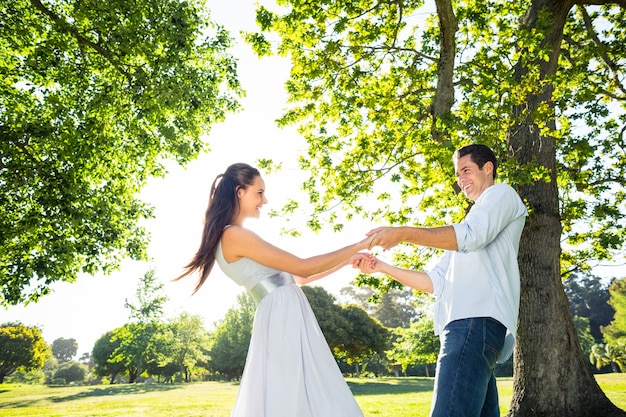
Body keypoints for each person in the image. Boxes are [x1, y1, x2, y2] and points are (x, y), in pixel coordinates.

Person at [175, 162, 373, 417]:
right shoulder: (234, 235)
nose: (264, 200)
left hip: (284, 311)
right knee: (292, 391)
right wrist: (362, 243)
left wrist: (347, 261)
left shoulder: (234, 235)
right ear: (240, 192)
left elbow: (298, 276)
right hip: (282, 315)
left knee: (302, 388)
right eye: (259, 192)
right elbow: (304, 266)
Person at [356, 144, 527, 417]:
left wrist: (402, 233)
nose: (461, 180)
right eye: (458, 175)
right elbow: (434, 281)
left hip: (474, 324)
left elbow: (471, 236)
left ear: (488, 168)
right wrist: (382, 267)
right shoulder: (467, 227)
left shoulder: (501, 195)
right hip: (466, 327)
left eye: (466, 171)